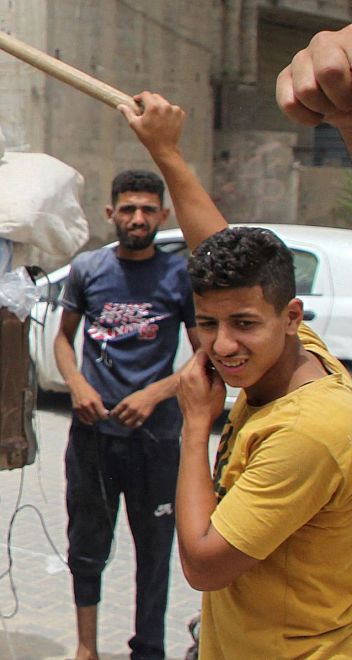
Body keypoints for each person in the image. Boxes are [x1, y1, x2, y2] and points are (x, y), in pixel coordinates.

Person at [121, 92, 352, 659]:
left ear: (290, 315)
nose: (223, 346)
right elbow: (217, 245)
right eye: (206, 323)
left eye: (243, 324)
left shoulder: (310, 433)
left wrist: (197, 423)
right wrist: (167, 153)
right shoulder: (295, 351)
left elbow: (203, 564)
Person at [55, 171, 195, 660]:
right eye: (129, 209)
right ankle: (86, 647)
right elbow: (62, 338)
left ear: (163, 215)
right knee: (86, 546)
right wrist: (77, 385)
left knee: (155, 551)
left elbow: (204, 358)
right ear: (110, 213)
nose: (138, 218)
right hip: (93, 437)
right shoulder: (88, 269)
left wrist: (156, 393)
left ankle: (149, 650)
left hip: (154, 440)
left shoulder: (180, 277)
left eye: (148, 209)